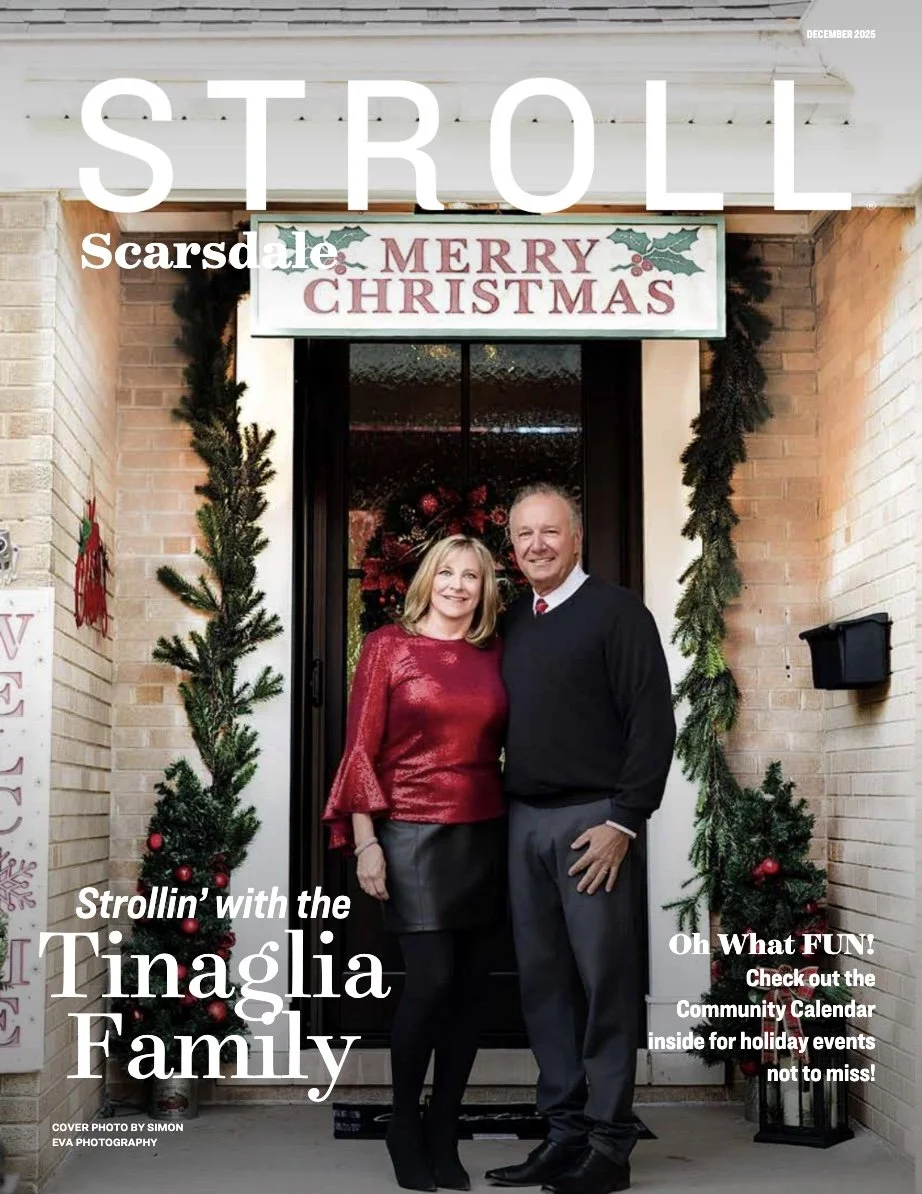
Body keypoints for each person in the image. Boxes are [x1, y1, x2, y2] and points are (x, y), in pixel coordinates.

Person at [485, 484, 676, 1194]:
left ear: (577, 538)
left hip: (594, 823)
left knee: (604, 986)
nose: (536, 545)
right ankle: (563, 1136)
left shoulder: (618, 613)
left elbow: (652, 724)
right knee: (544, 988)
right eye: (524, 534)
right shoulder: (515, 623)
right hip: (524, 823)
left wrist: (624, 822)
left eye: (550, 532)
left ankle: (609, 1144)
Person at [323, 533, 508, 1194]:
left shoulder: (494, 652)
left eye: (474, 577)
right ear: (428, 578)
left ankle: (444, 1125)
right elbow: (359, 750)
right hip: (408, 834)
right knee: (429, 982)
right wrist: (367, 840)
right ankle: (404, 1122)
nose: (460, 585)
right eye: (449, 573)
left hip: (485, 833)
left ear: (487, 589)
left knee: (470, 993)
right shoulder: (386, 647)